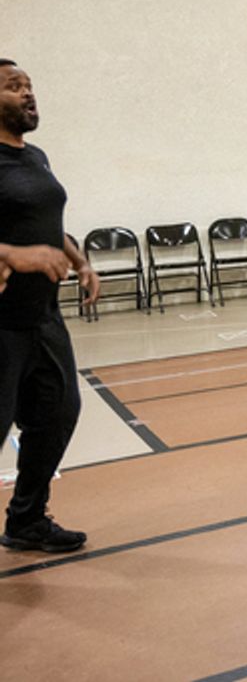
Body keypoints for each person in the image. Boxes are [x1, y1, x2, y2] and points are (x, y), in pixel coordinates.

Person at [0, 57, 100, 555]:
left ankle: (26, 520)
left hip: (43, 316)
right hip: (1, 324)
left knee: (58, 412)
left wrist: (77, 260)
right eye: (14, 86)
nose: (27, 93)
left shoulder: (34, 156)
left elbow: (44, 223)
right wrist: (11, 254)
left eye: (29, 84)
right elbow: (19, 241)